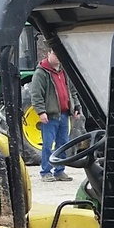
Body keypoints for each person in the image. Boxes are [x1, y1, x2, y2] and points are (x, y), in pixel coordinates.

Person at [32, 51, 73, 181]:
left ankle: (60, 171)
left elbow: (72, 91)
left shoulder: (64, 72)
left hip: (64, 114)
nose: (58, 57)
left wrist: (76, 107)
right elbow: (36, 94)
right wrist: (41, 112)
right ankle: (46, 172)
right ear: (49, 53)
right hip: (50, 116)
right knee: (48, 144)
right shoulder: (41, 73)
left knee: (63, 144)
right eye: (55, 54)